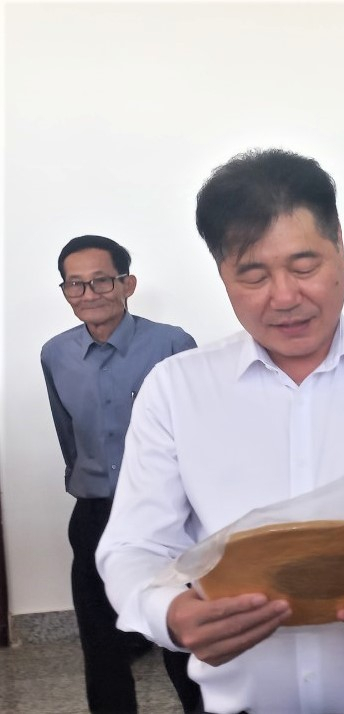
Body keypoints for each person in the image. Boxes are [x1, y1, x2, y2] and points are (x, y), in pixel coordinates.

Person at [95, 148, 344, 714]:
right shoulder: (176, 389)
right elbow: (135, 544)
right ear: (222, 275)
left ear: (341, 250)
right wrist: (171, 615)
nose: (284, 297)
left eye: (304, 267)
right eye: (252, 274)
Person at [40, 235, 200, 713]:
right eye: (76, 285)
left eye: (101, 280)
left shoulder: (173, 344)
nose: (89, 294)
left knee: (183, 634)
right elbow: (67, 434)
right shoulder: (55, 354)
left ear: (127, 283)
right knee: (100, 641)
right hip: (94, 512)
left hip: (166, 514)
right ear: (65, 291)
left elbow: (197, 433)